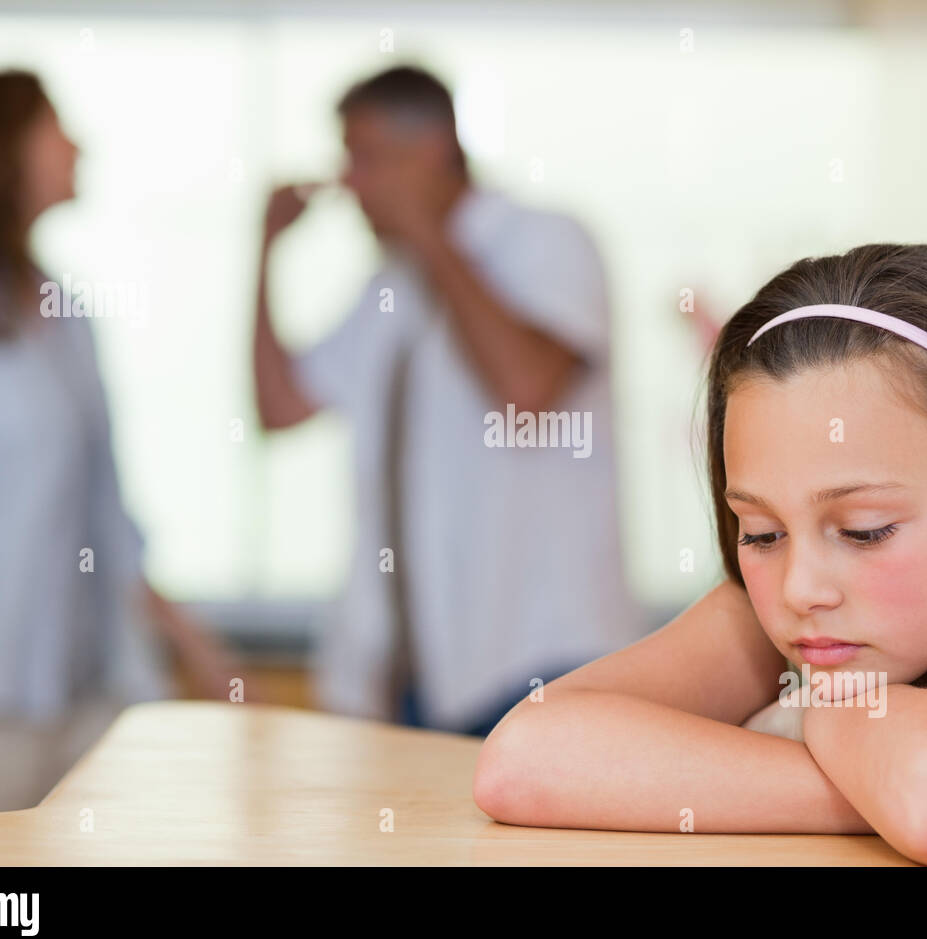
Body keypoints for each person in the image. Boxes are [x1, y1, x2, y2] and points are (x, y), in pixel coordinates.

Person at [475, 243, 927, 866]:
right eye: (759, 531)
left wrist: (833, 720)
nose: (800, 589)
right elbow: (525, 755)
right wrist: (879, 787)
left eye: (866, 529)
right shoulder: (810, 596)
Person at [0, 70, 241, 811]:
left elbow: (105, 520)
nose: (78, 145)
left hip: (81, 708)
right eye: (56, 128)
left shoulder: (63, 312)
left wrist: (198, 651)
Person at [254, 65, 643, 735]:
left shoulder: (547, 241)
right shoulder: (391, 284)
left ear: (433, 151)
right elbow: (280, 407)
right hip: (421, 680)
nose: (349, 185)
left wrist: (431, 235)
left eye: (365, 160)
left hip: (544, 663)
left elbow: (526, 393)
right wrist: (264, 254)